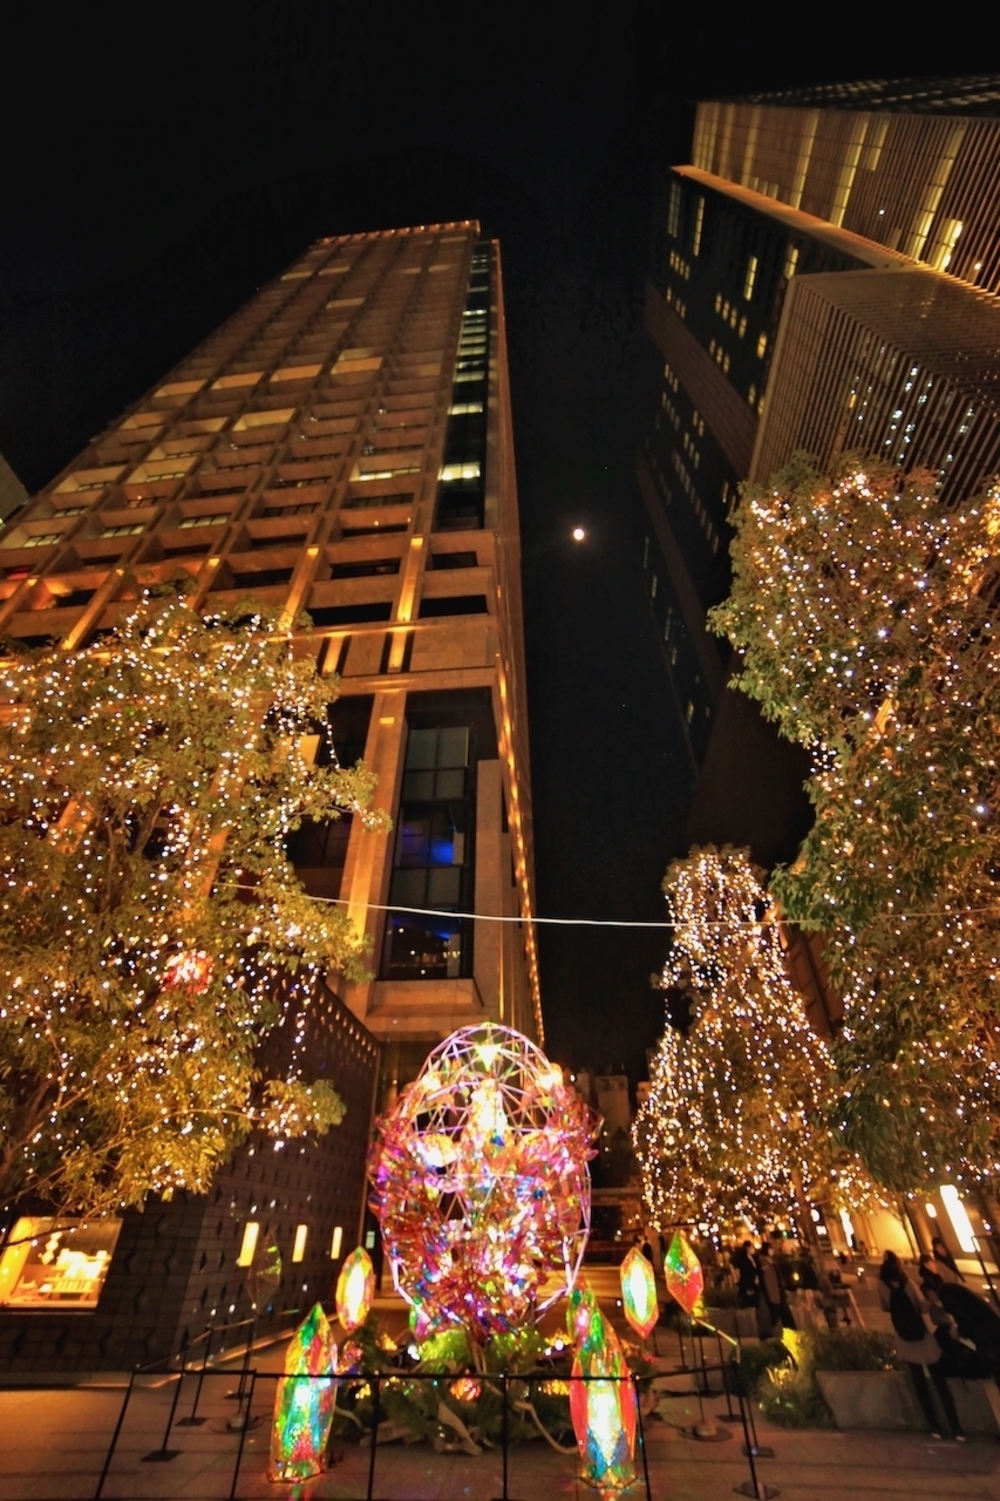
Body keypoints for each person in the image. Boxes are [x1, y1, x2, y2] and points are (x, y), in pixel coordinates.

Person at [879, 1251, 965, 1440]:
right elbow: (922, 1307)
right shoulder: (909, 1284)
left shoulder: (882, 1285)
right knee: (939, 1382)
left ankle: (934, 1426)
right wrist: (932, 1301)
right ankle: (956, 1427)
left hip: (904, 1339)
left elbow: (884, 1307)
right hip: (922, 1337)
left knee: (919, 1384)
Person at [921, 1261, 1000, 1381]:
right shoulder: (951, 1289)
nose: (930, 1300)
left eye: (928, 1296)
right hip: (991, 1329)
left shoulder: (946, 1295)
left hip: (987, 1336)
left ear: (930, 1292)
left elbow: (964, 1318)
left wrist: (958, 1332)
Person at [759, 1243, 795, 1334]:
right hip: (774, 1292)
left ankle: (790, 1330)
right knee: (776, 1314)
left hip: (778, 1291)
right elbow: (768, 1278)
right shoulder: (764, 1261)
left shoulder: (770, 1260)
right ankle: (767, 1333)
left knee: (783, 1313)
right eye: (770, 1249)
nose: (772, 1251)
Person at [732, 1240, 760, 1310]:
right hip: (748, 1283)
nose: (753, 1249)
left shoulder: (753, 1257)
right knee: (750, 1301)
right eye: (751, 1247)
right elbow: (743, 1272)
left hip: (755, 1282)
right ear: (747, 1248)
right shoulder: (743, 1259)